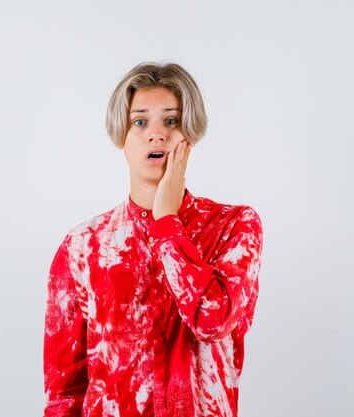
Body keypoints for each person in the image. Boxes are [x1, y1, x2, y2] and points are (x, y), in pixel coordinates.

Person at [42, 61, 264, 417]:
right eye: (140, 121)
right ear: (122, 137)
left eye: (171, 121)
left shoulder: (234, 226)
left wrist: (166, 224)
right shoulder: (84, 246)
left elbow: (212, 321)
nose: (156, 134)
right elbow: (64, 390)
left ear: (189, 133)